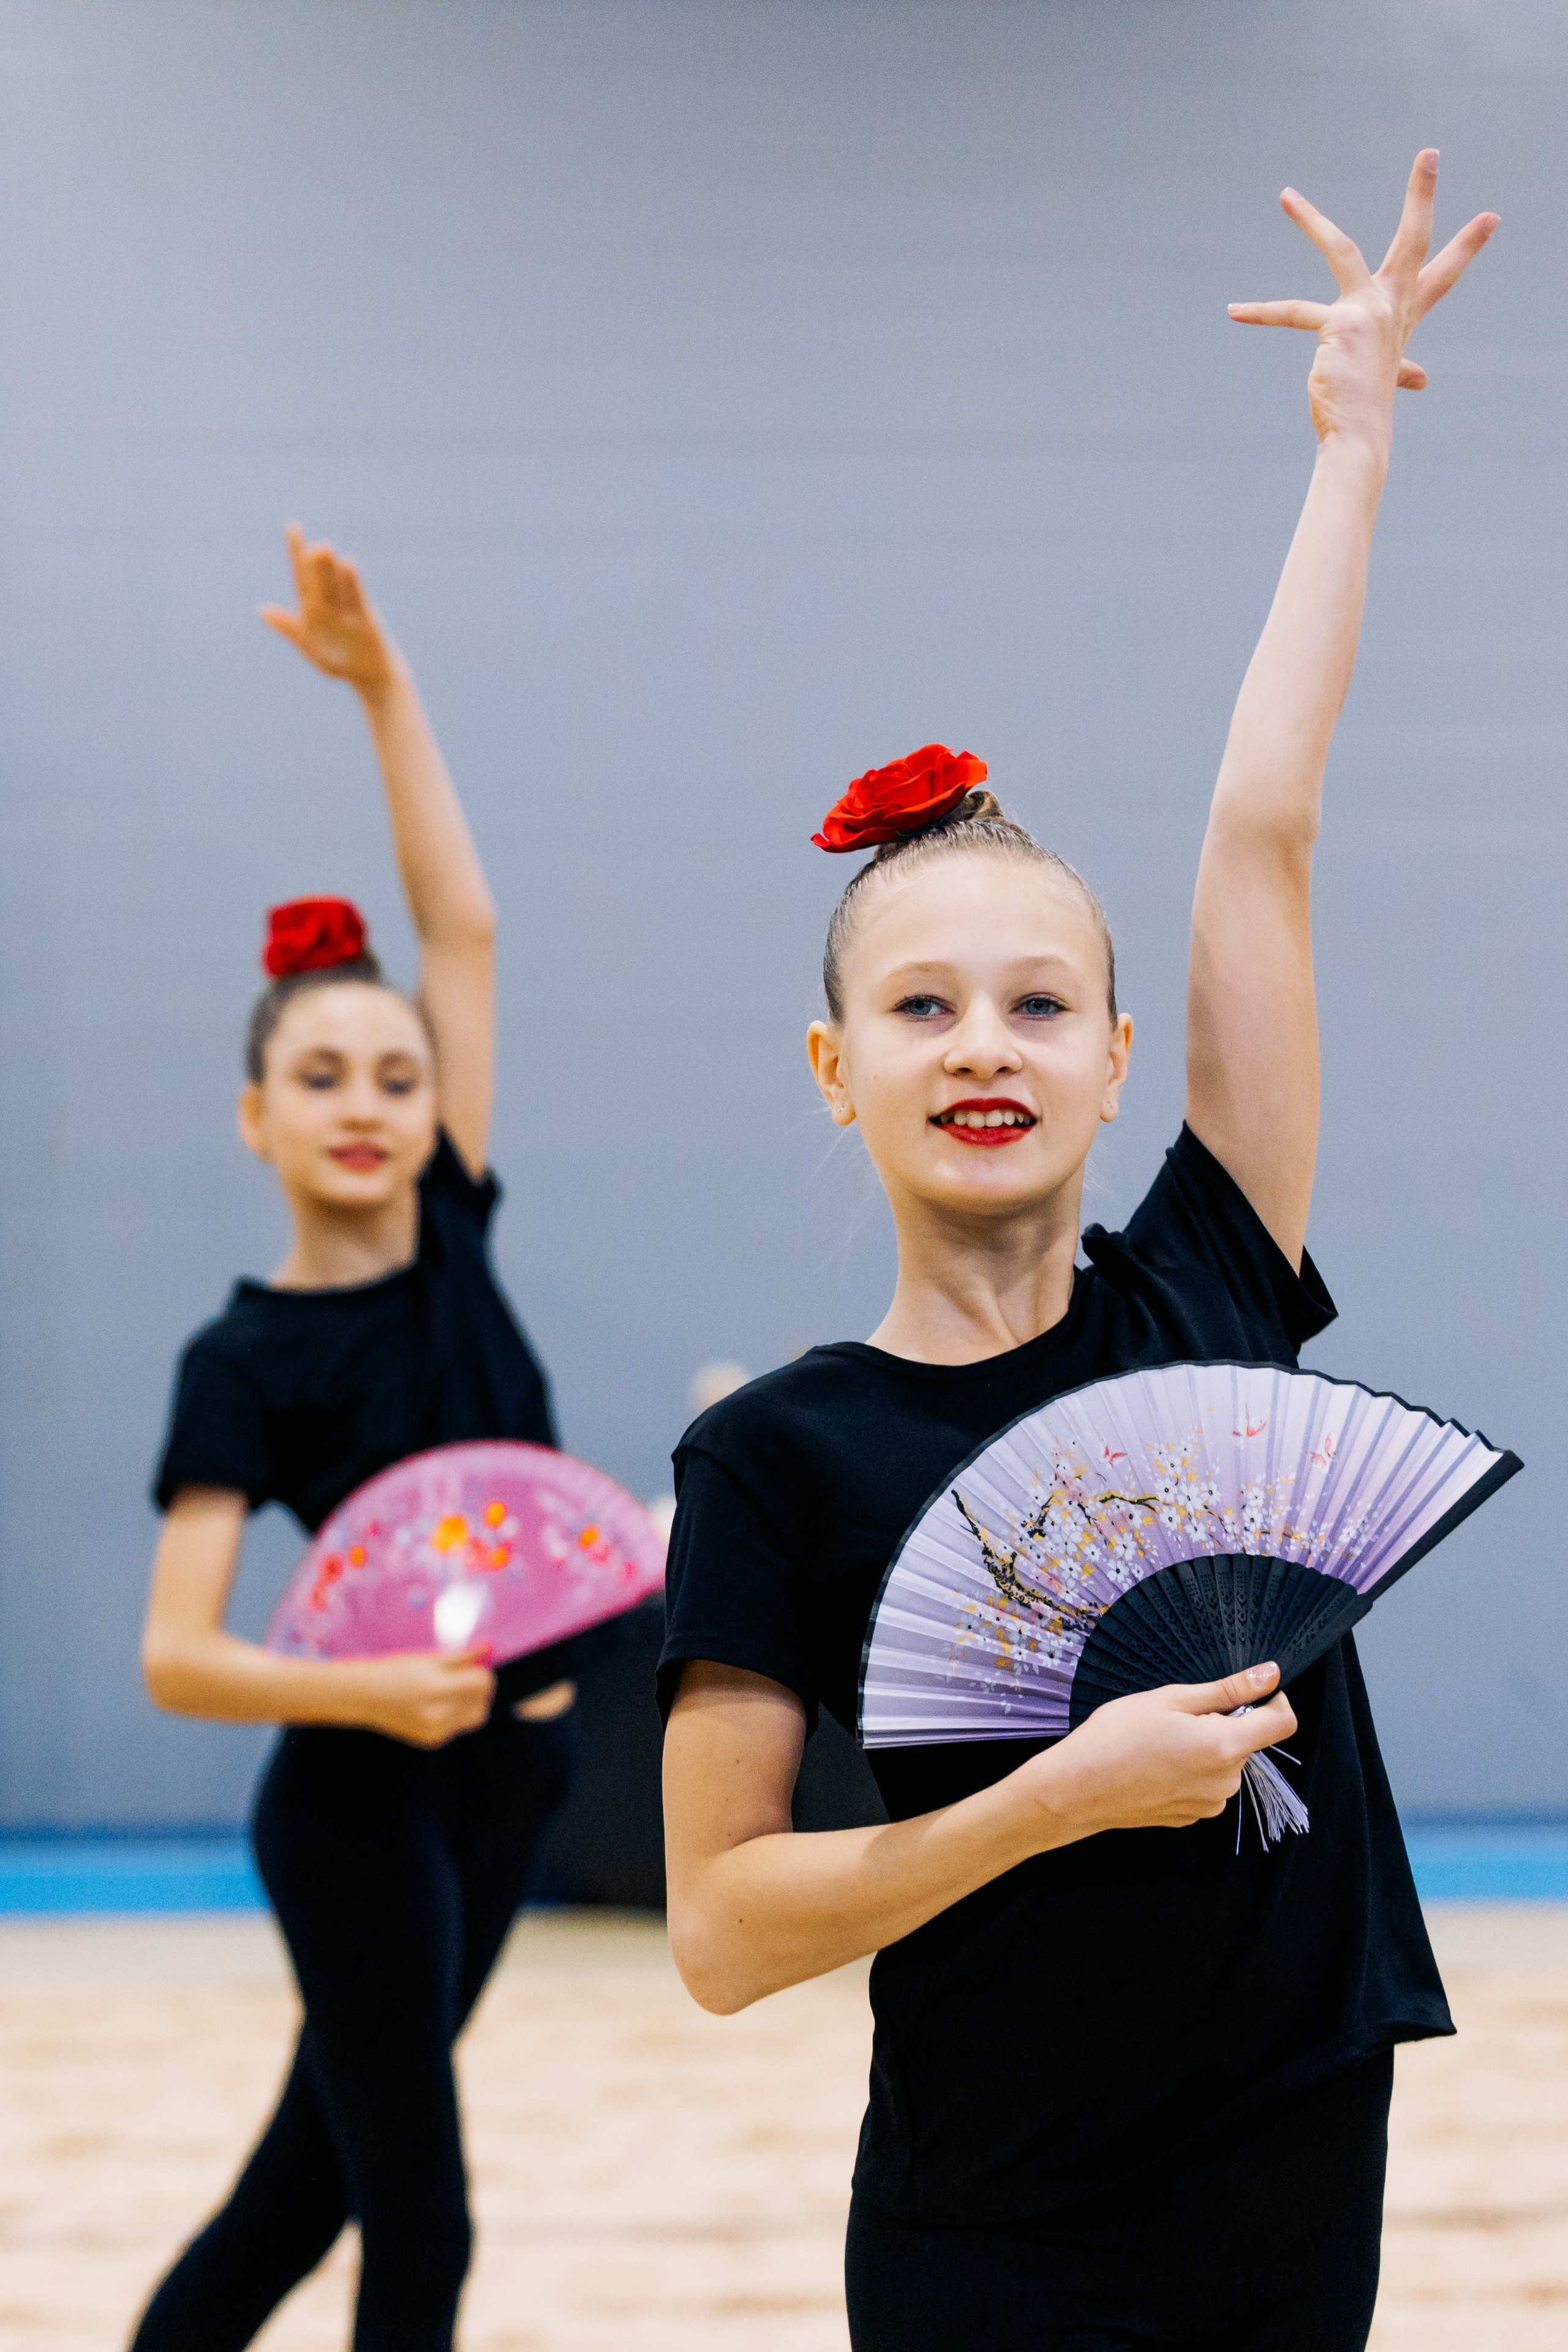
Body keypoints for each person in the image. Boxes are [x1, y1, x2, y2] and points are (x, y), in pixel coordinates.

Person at [660, 154, 1498, 2352]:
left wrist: (1352, 449)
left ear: (1123, 1058)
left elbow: (1264, 831)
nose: (983, 1047)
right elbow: (725, 1931)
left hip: (1293, 2170)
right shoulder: (781, 1457)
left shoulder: (1210, 1302)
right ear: (833, 1068)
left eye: (1038, 1003)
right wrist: (1051, 1802)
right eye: (920, 1009)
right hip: (989, 2226)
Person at [131, 527, 578, 2352]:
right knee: (422, 2219)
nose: (372, 1103)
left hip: (510, 1779)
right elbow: (178, 1657)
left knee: (296, 2194)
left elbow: (461, 926)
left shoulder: (456, 1227)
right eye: (323, 1077)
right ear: (255, 1118)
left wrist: (386, 691)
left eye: (399, 1073)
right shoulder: (239, 1360)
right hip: (357, 1799)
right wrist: (369, 1703)